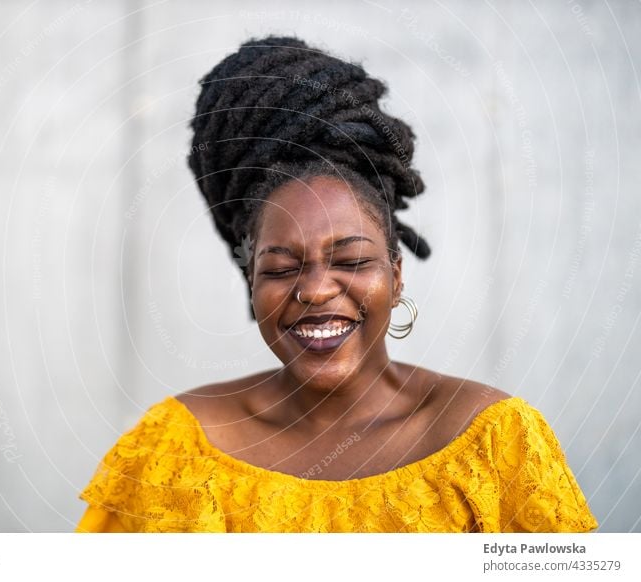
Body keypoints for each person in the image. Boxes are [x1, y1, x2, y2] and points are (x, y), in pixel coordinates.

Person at [76, 35, 598, 533]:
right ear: (252, 285)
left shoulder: (493, 442)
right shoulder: (175, 448)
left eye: (349, 260)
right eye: (279, 269)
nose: (316, 290)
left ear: (395, 277)